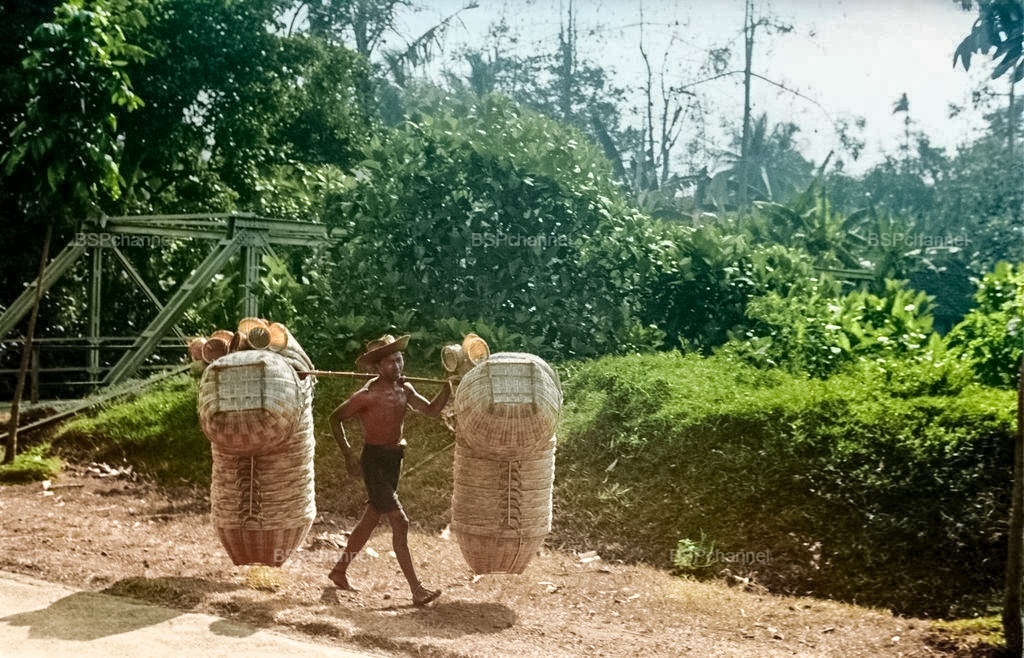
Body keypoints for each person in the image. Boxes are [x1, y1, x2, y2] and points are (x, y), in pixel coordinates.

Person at [328, 334, 453, 606]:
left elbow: (431, 410)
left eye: (399, 359)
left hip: (394, 459)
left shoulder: (404, 390)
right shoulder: (366, 395)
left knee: (371, 519)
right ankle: (417, 590)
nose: (397, 366)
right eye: (390, 362)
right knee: (401, 521)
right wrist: (349, 454)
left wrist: (448, 387)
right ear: (377, 367)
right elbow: (334, 418)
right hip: (373, 462)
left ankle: (339, 570)